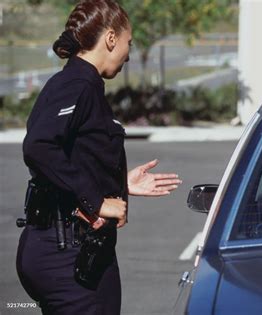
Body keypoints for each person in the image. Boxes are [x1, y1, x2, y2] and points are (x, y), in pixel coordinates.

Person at [16, 1, 182, 314]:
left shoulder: (76, 83)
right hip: (66, 252)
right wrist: (96, 200)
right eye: (127, 43)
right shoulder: (78, 85)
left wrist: (118, 183)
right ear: (110, 38)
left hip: (64, 249)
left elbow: (72, 153)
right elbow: (39, 147)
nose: (129, 53)